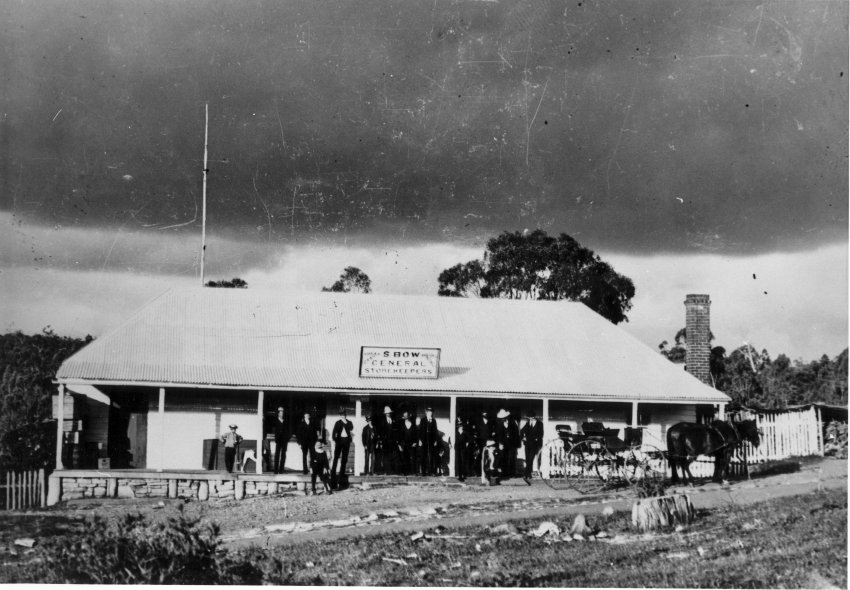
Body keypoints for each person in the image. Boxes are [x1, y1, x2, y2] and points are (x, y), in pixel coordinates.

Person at [331, 407, 353, 489]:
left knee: (344, 460)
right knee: (336, 459)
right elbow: (333, 433)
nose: (342, 416)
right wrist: (335, 440)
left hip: (346, 441)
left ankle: (341, 480)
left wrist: (346, 422)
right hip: (339, 442)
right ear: (340, 415)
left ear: (345, 415)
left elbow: (351, 428)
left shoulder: (349, 422)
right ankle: (332, 480)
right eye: (341, 414)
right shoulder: (337, 423)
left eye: (344, 414)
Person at [520, 412, 544, 484]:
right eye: (529, 418)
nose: (530, 419)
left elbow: (541, 434)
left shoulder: (540, 424)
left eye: (531, 417)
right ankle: (528, 474)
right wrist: (523, 438)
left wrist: (537, 438)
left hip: (535, 445)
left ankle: (526, 474)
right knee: (528, 459)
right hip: (527, 444)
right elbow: (521, 431)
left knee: (531, 458)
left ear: (534, 417)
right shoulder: (528, 423)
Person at [495, 408, 519, 478]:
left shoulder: (513, 423)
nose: (503, 419)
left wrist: (515, 444)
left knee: (512, 458)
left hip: (512, 444)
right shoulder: (499, 425)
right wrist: (500, 443)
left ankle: (512, 473)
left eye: (504, 418)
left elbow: (516, 434)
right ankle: (504, 473)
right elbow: (499, 435)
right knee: (503, 458)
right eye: (502, 418)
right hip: (503, 444)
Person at [376, 406, 397, 474]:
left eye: (389, 413)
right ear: (385, 414)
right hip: (385, 441)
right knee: (385, 456)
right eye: (387, 413)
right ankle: (386, 470)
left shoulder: (393, 420)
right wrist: (381, 440)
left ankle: (391, 470)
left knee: (392, 455)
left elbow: (395, 431)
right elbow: (380, 432)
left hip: (392, 441)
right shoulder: (382, 421)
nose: (388, 414)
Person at [419, 406, 439, 475]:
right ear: (426, 412)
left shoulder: (433, 421)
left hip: (431, 441)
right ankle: (423, 472)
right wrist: (420, 440)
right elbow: (420, 431)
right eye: (429, 412)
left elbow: (435, 431)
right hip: (424, 440)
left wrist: (435, 440)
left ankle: (431, 471)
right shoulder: (423, 420)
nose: (430, 413)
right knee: (423, 456)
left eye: (431, 412)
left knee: (431, 456)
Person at [296, 410, 317, 474]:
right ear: (304, 416)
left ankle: (312, 469)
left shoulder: (312, 423)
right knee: (304, 456)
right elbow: (298, 434)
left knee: (312, 456)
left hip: (311, 442)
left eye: (308, 415)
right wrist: (299, 443)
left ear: (309, 416)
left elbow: (315, 434)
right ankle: (305, 470)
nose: (307, 416)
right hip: (304, 442)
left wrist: (315, 441)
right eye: (306, 415)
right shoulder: (301, 424)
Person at [272, 406, 290, 474]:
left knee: (283, 455)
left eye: (282, 413)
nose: (281, 414)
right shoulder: (275, 421)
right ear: (278, 413)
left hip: (284, 441)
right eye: (280, 413)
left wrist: (287, 438)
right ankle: (276, 470)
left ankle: (281, 470)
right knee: (277, 455)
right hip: (278, 440)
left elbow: (289, 430)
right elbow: (274, 430)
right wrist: (276, 438)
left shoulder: (286, 421)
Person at [476, 410, 494, 475]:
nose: (485, 414)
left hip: (488, 441)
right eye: (484, 413)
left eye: (486, 413)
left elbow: (491, 431)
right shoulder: (479, 422)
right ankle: (479, 471)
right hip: (480, 441)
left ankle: (487, 471)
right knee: (481, 456)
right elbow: (477, 432)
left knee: (489, 456)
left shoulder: (490, 422)